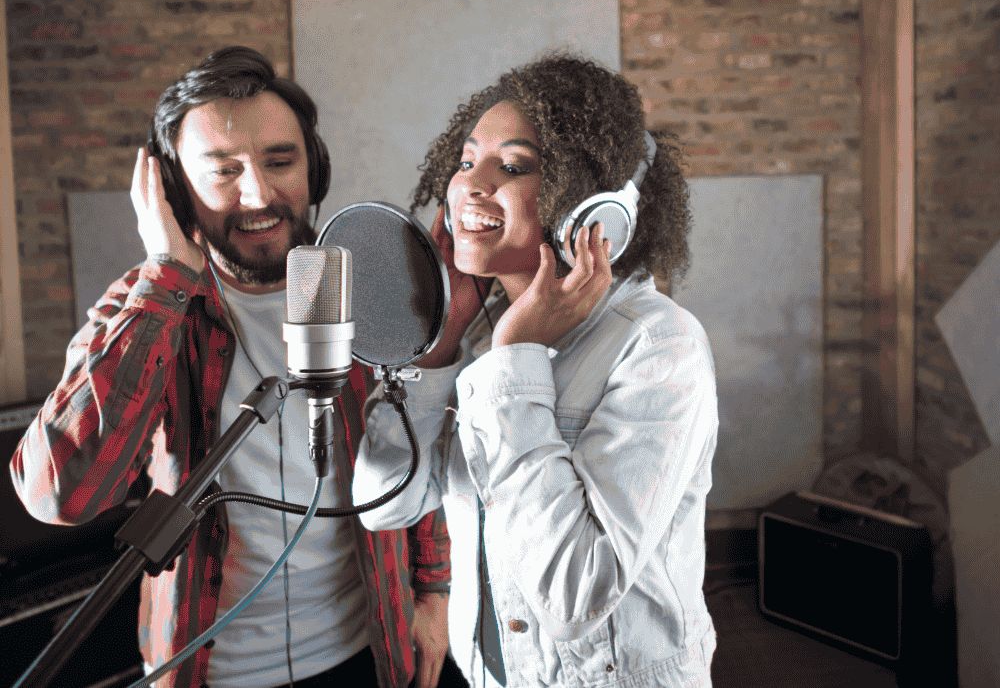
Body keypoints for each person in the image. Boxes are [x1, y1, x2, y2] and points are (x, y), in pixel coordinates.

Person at [10, 47, 453, 688]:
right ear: (172, 189)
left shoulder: (368, 284)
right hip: (214, 670)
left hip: (369, 649)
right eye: (223, 171)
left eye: (281, 161)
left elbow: (409, 442)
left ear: (315, 167)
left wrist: (433, 592)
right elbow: (61, 493)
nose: (259, 194)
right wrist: (167, 276)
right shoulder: (148, 308)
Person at [352, 53, 719, 687]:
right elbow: (383, 504)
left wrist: (514, 362)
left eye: (513, 167)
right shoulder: (475, 337)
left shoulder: (660, 347)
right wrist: (438, 349)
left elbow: (578, 593)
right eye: (467, 161)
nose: (470, 184)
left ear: (594, 210)